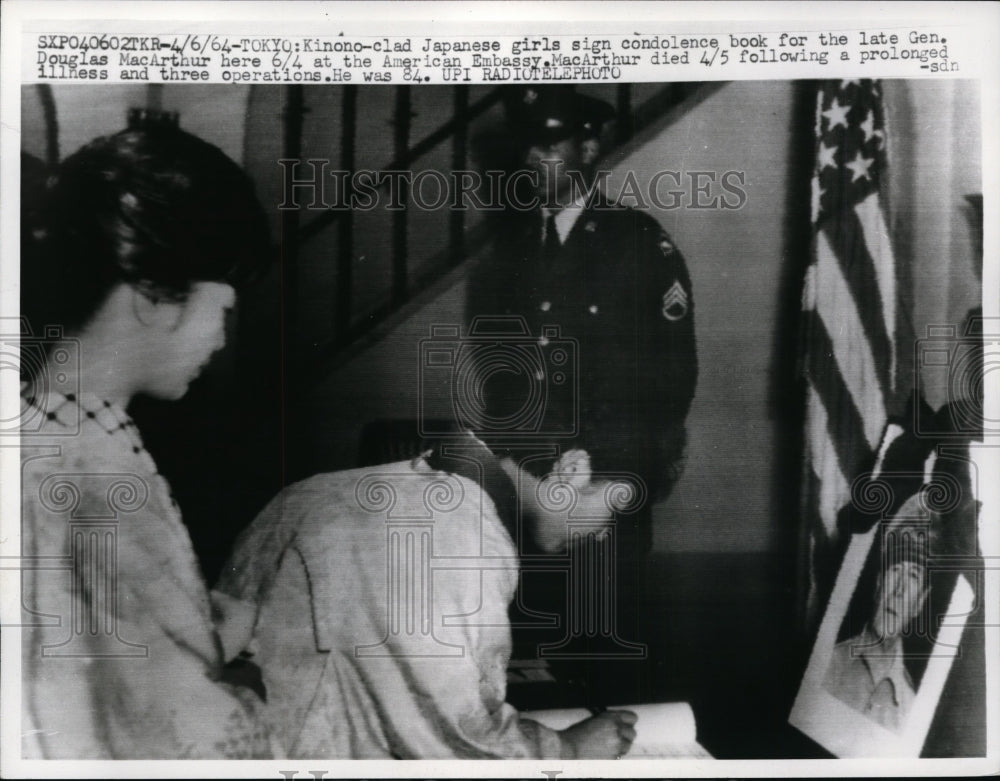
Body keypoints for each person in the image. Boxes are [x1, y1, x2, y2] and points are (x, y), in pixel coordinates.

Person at [19, 115, 275, 758]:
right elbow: (180, 729)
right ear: (152, 294)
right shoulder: (95, 476)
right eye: (222, 312)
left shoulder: (49, 425)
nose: (219, 342)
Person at [215, 429, 639, 758]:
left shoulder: (335, 486)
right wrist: (570, 751)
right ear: (574, 467)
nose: (603, 537)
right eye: (613, 513)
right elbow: (449, 740)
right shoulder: (453, 532)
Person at [465, 85, 698, 658]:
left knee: (599, 657)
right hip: (523, 497)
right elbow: (501, 380)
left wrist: (611, 489)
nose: (530, 161)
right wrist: (518, 478)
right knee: (522, 664)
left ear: (589, 149)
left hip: (602, 502)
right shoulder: (509, 250)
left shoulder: (637, 242)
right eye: (527, 146)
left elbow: (669, 382)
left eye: (549, 146)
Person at [823, 507, 932, 733]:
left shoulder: (912, 708)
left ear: (920, 603)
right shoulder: (827, 666)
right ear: (879, 583)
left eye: (913, 576)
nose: (899, 590)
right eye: (895, 570)